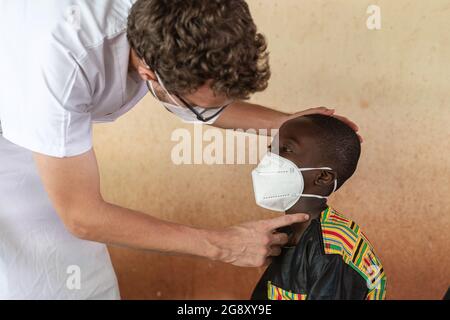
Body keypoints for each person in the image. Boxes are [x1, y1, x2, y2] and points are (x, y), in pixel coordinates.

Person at [0, 0, 359, 299]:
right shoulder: (61, 58)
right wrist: (222, 245)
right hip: (12, 128)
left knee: (88, 281)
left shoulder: (187, 15)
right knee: (42, 280)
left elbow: (203, 97)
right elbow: (81, 216)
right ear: (149, 74)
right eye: (194, 104)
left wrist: (292, 123)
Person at [250, 115, 386, 300]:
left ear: (323, 177)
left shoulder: (331, 250)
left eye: (286, 149)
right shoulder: (287, 231)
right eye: (271, 148)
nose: (270, 158)